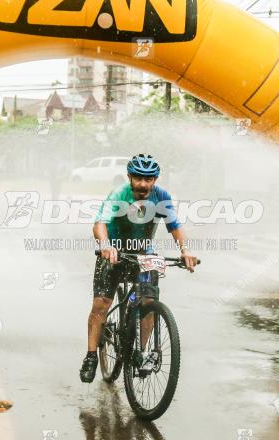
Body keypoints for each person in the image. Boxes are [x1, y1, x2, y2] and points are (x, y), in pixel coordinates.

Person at [79, 154, 197, 383]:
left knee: (149, 302)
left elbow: (175, 226)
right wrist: (105, 246)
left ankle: (141, 353)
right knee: (101, 304)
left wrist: (185, 250)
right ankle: (91, 355)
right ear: (130, 177)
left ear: (155, 179)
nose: (143, 184)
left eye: (149, 179)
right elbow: (100, 223)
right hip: (113, 252)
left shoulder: (161, 196)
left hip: (144, 253)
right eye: (139, 178)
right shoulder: (119, 194)